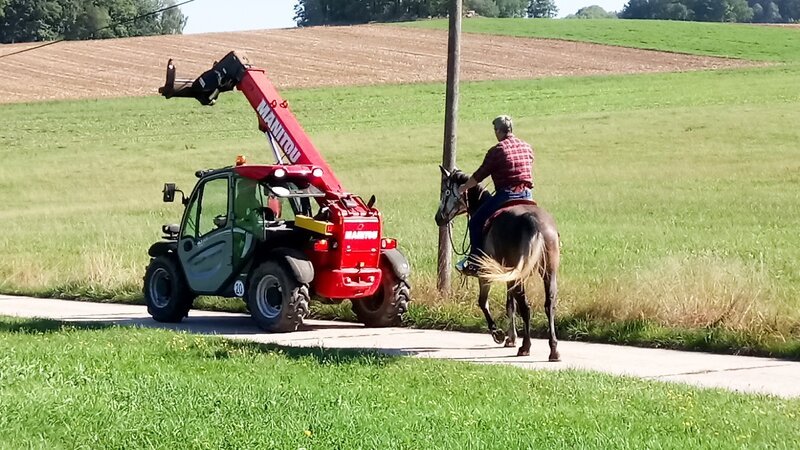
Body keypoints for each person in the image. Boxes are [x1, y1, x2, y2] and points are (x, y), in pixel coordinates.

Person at [455, 115, 535, 276]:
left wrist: (464, 187)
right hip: (527, 194)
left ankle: (475, 261)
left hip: (506, 195)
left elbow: (480, 175)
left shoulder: (497, 151)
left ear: (499, 131)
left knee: (476, 222)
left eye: (495, 131)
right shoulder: (527, 146)